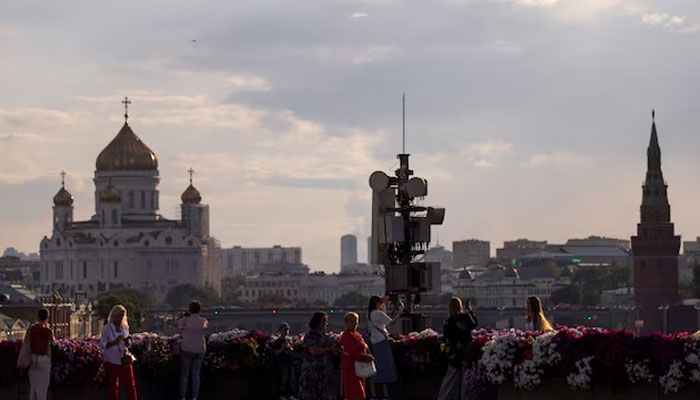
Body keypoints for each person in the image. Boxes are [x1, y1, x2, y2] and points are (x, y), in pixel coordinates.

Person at [437, 297, 478, 400]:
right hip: (467, 353)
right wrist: (470, 311)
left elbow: (447, 338)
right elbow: (474, 324)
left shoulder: (449, 321)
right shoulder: (465, 318)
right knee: (466, 380)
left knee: (450, 380)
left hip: (454, 354)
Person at [367, 295, 403, 400]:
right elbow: (392, 322)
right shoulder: (377, 313)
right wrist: (400, 311)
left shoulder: (370, 314)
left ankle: (374, 395)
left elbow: (384, 316)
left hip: (374, 343)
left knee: (376, 369)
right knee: (385, 368)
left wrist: (383, 302)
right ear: (377, 304)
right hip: (382, 343)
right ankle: (386, 395)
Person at [99, 304, 137, 400]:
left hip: (124, 358)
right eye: (118, 316)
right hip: (111, 360)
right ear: (114, 316)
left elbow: (128, 344)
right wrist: (115, 341)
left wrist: (127, 342)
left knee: (130, 385)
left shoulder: (124, 327)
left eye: (122, 316)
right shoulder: (107, 328)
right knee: (113, 386)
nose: (120, 318)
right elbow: (103, 344)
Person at [298, 312, 339, 400]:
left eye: (326, 321)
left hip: (325, 371)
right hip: (313, 370)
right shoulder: (311, 335)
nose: (325, 323)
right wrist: (328, 349)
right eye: (323, 321)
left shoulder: (325, 335)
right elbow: (312, 350)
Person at [177, 301, 208, 400]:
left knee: (184, 375)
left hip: (186, 349)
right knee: (196, 375)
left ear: (190, 309)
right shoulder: (203, 320)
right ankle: (195, 397)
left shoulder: (185, 320)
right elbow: (206, 326)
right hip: (200, 349)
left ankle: (183, 397)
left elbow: (175, 324)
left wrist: (182, 317)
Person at [340, 312, 374, 400]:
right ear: (346, 322)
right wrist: (365, 357)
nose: (354, 323)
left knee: (360, 392)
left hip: (359, 367)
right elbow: (351, 351)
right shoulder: (346, 335)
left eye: (356, 321)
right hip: (351, 368)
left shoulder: (356, 334)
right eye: (351, 321)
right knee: (354, 393)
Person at [23, 308, 53, 400]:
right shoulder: (48, 331)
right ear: (47, 318)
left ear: (37, 317)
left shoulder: (32, 329)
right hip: (45, 360)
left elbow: (26, 342)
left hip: (33, 360)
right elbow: (53, 344)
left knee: (33, 387)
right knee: (43, 389)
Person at [272, 322, 296, 400]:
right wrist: (282, 348)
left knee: (290, 379)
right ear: (280, 331)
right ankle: (282, 395)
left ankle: (290, 395)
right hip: (282, 363)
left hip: (289, 362)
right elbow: (276, 352)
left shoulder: (288, 340)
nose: (286, 331)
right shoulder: (278, 341)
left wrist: (290, 348)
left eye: (287, 330)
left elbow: (292, 350)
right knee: (283, 380)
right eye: (284, 330)